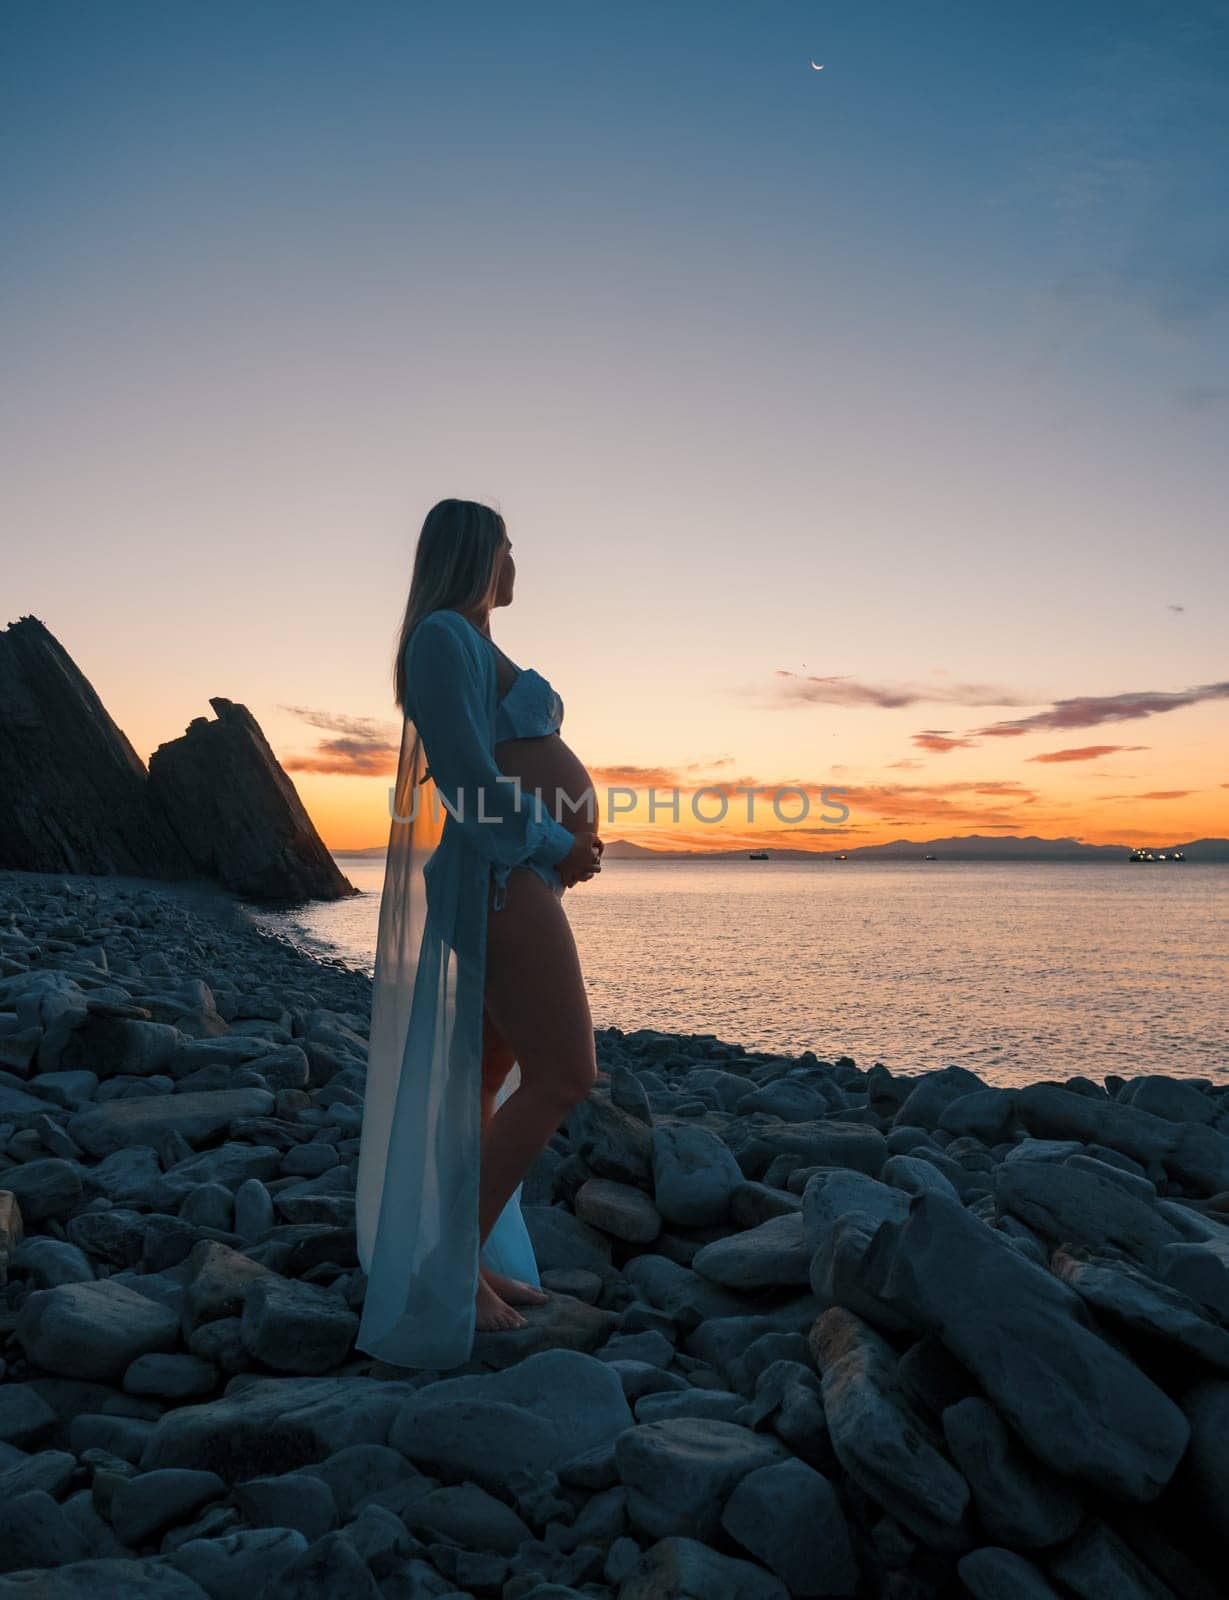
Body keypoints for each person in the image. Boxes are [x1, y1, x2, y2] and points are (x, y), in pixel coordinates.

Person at [355, 497, 603, 1369]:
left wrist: (555, 848)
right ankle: (449, 1267)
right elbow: (465, 778)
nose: (515, 563)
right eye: (505, 547)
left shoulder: (471, 639)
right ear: (473, 553)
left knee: (486, 1080)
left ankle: (474, 1263)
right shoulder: (440, 638)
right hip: (497, 873)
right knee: (566, 1073)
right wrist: (554, 841)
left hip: (518, 871)